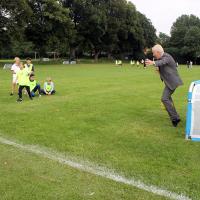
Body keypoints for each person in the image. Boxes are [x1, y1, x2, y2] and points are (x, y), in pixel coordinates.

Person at [145, 44, 183, 127]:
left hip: (172, 82)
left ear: (158, 52)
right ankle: (175, 117)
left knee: (164, 98)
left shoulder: (166, 56)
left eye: (154, 53)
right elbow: (161, 68)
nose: (153, 55)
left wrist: (153, 62)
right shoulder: (160, 58)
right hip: (169, 82)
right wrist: (158, 70)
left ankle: (175, 118)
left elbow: (162, 62)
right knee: (168, 99)